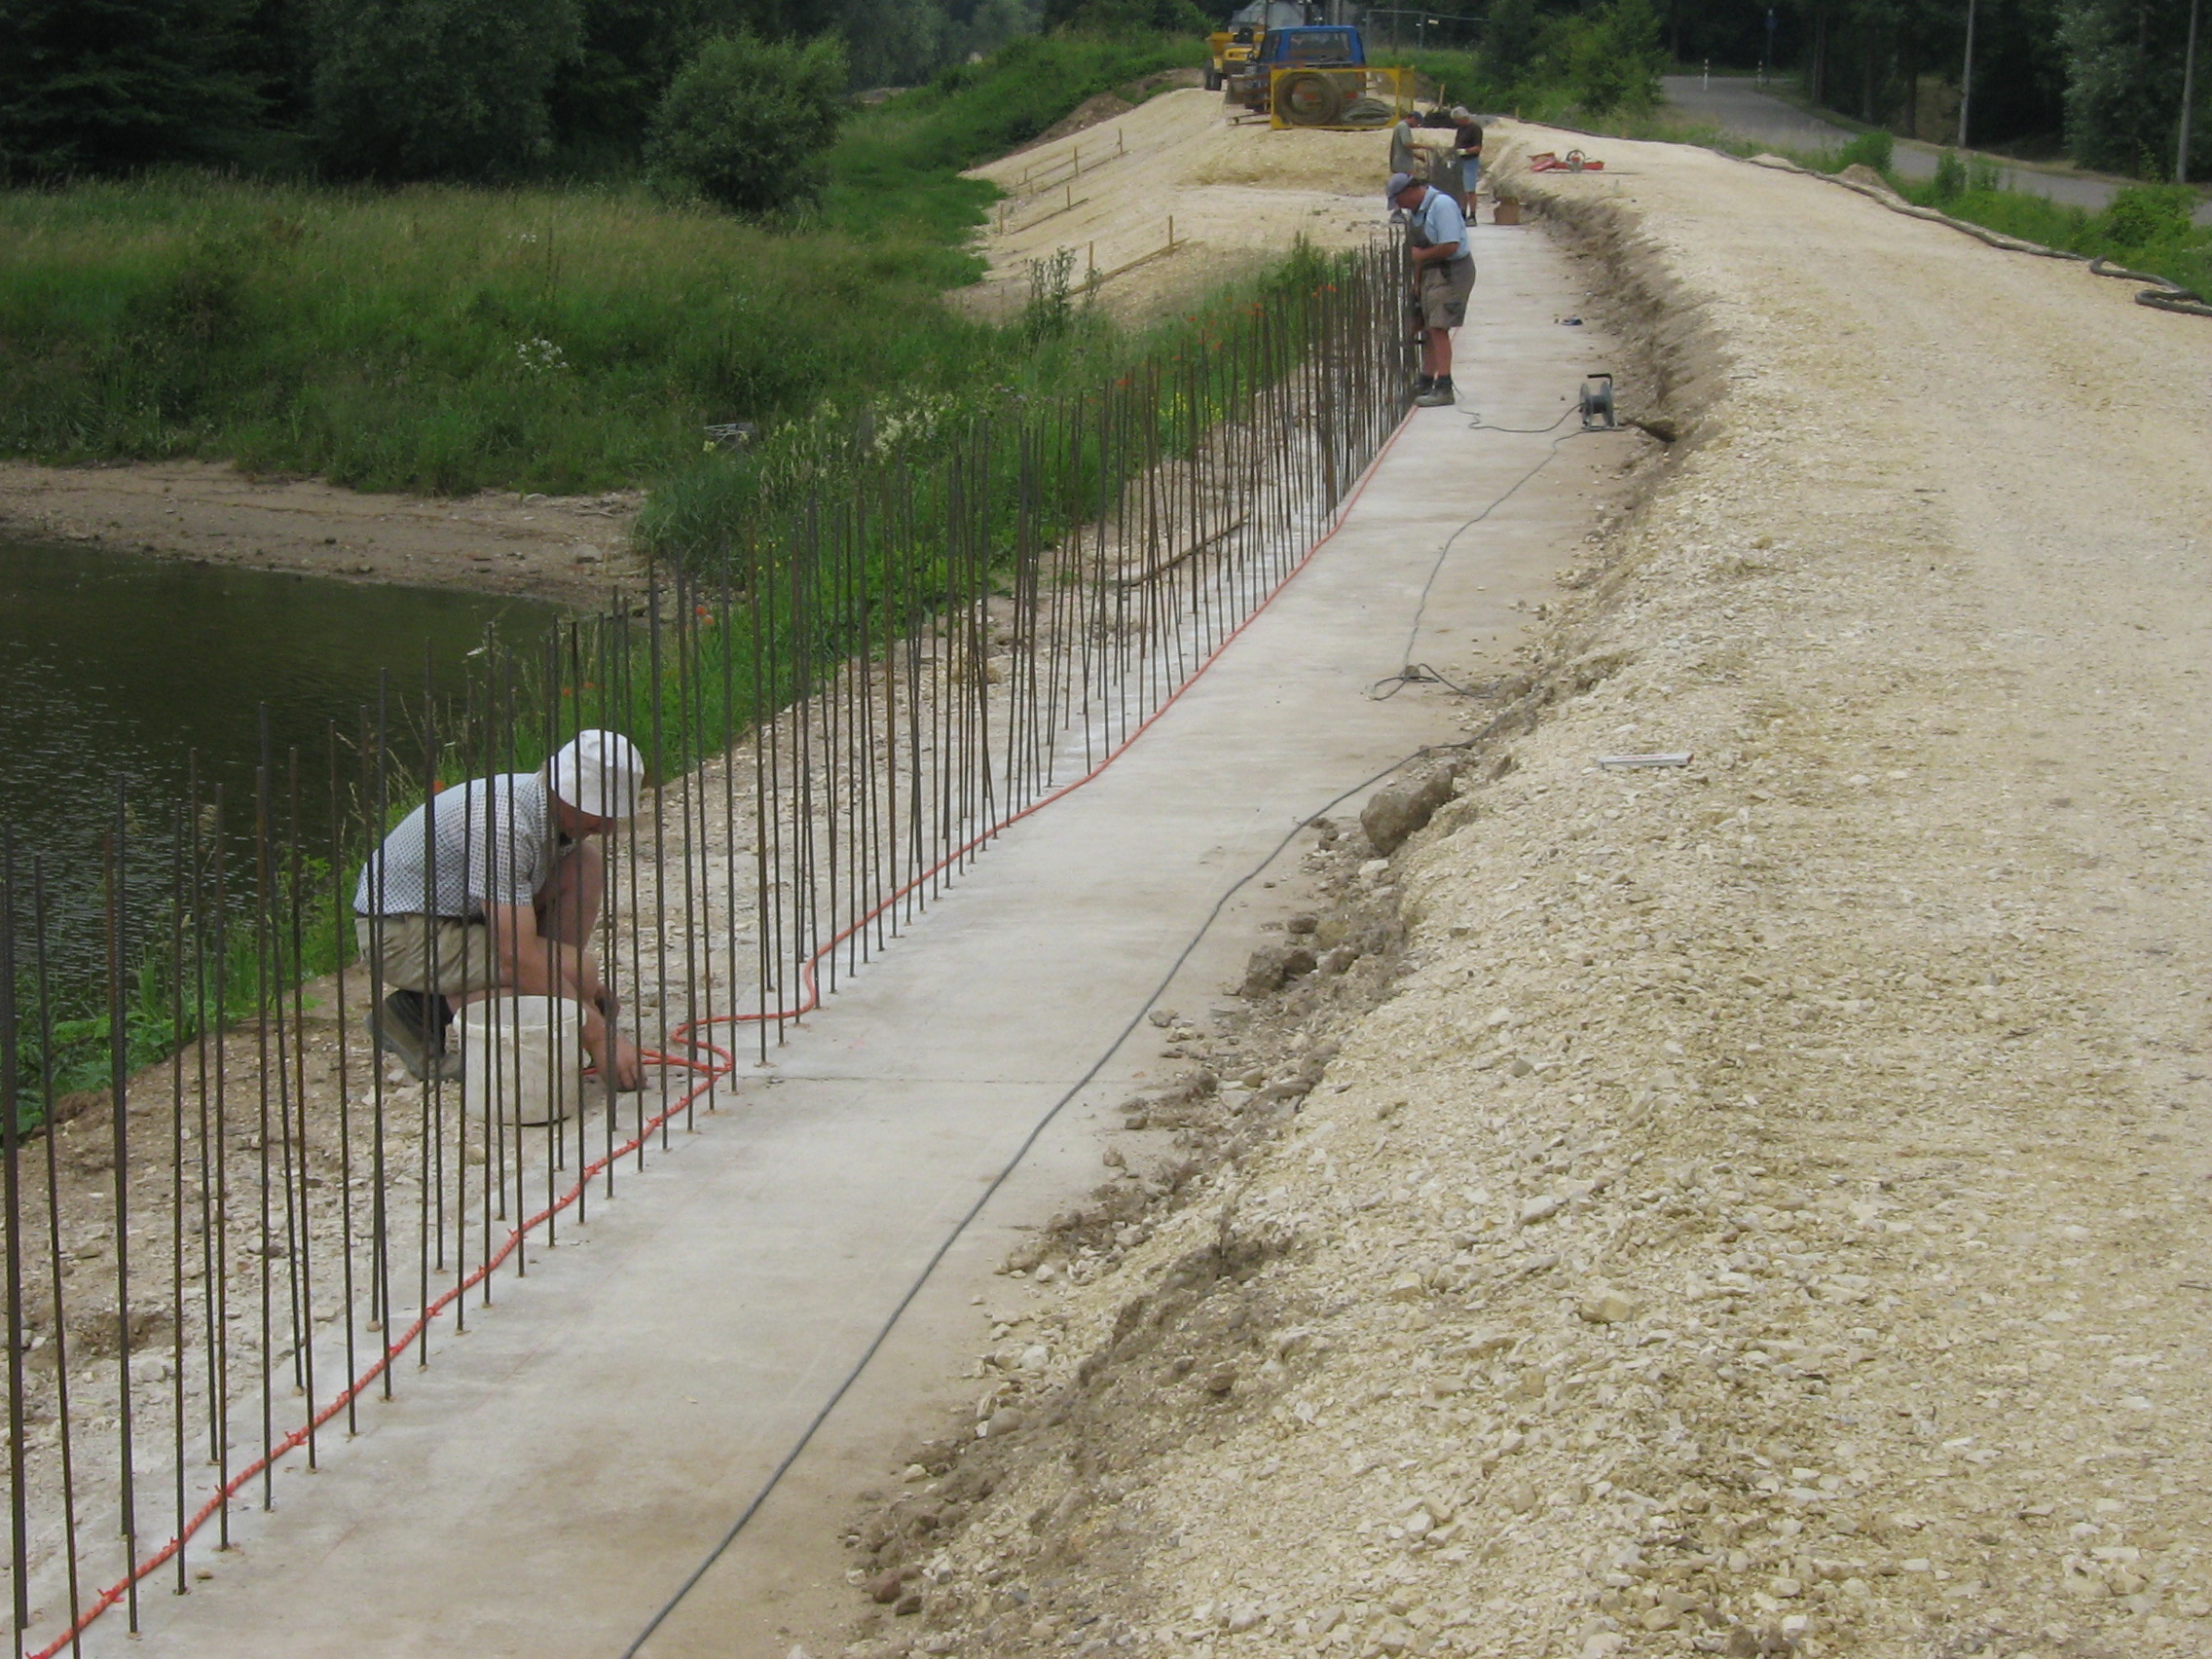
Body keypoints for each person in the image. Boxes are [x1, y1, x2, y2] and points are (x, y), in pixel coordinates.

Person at [354, 728, 647, 1091]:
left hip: (457, 917)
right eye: (599, 813)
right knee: (577, 973)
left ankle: (549, 1004)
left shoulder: (544, 807)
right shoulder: (502, 822)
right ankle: (413, 1014)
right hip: (402, 932)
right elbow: (516, 957)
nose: (607, 827)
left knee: (583, 865)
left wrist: (577, 1001)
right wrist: (598, 1034)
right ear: (566, 791)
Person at [1386, 170, 1474, 408]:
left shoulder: (1441, 205)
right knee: (1427, 326)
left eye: (1400, 200)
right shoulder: (1417, 213)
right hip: (1431, 272)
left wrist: (1422, 256)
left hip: (1451, 270)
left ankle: (1444, 387)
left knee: (1438, 326)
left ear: (1409, 191)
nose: (1400, 207)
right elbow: (1418, 254)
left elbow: (1450, 245)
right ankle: (1426, 381)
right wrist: (1416, 283)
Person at [1451, 105, 1484, 216]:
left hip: (1470, 161)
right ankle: (1463, 212)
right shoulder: (1461, 129)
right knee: (1461, 189)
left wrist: (1465, 151)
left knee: (1470, 189)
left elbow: (1478, 147)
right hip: (1460, 161)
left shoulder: (1475, 129)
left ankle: (1473, 214)